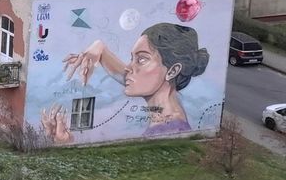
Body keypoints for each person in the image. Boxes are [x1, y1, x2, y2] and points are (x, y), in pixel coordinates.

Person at [44, 22, 209, 140]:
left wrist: (63, 143)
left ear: (173, 70)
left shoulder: (166, 131)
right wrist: (100, 47)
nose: (129, 67)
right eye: (132, 58)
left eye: (142, 59)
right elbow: (127, 75)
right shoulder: (171, 105)